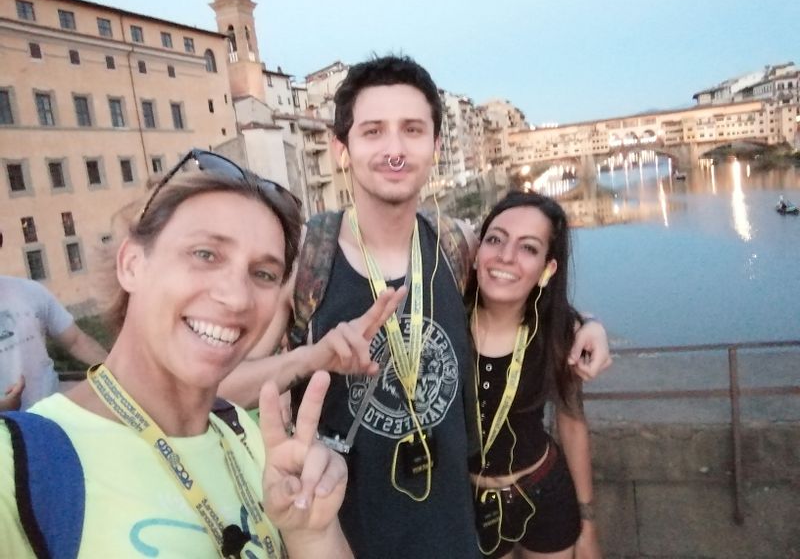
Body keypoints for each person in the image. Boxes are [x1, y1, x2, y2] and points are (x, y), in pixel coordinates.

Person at [220, 55, 611, 559]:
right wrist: (312, 358)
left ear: (434, 146)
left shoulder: (455, 245)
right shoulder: (306, 260)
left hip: (454, 535)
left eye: (411, 130)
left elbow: (521, 287)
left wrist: (586, 324)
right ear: (343, 149)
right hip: (342, 538)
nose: (395, 149)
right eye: (373, 131)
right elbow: (225, 386)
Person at [0, 152, 402, 558]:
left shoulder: (251, 441)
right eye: (205, 254)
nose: (235, 297)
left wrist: (311, 534)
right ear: (131, 264)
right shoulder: (17, 466)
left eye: (263, 273)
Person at [468, 191, 601, 558]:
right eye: (495, 239)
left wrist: (587, 526)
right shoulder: (447, 322)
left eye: (528, 248)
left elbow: (572, 423)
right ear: (477, 251)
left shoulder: (558, 335)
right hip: (466, 504)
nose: (505, 256)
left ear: (547, 268)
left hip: (543, 494)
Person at [0, 275, 108, 410]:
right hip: (6, 426)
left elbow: (76, 341)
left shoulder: (30, 291)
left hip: (54, 414)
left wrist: (115, 370)